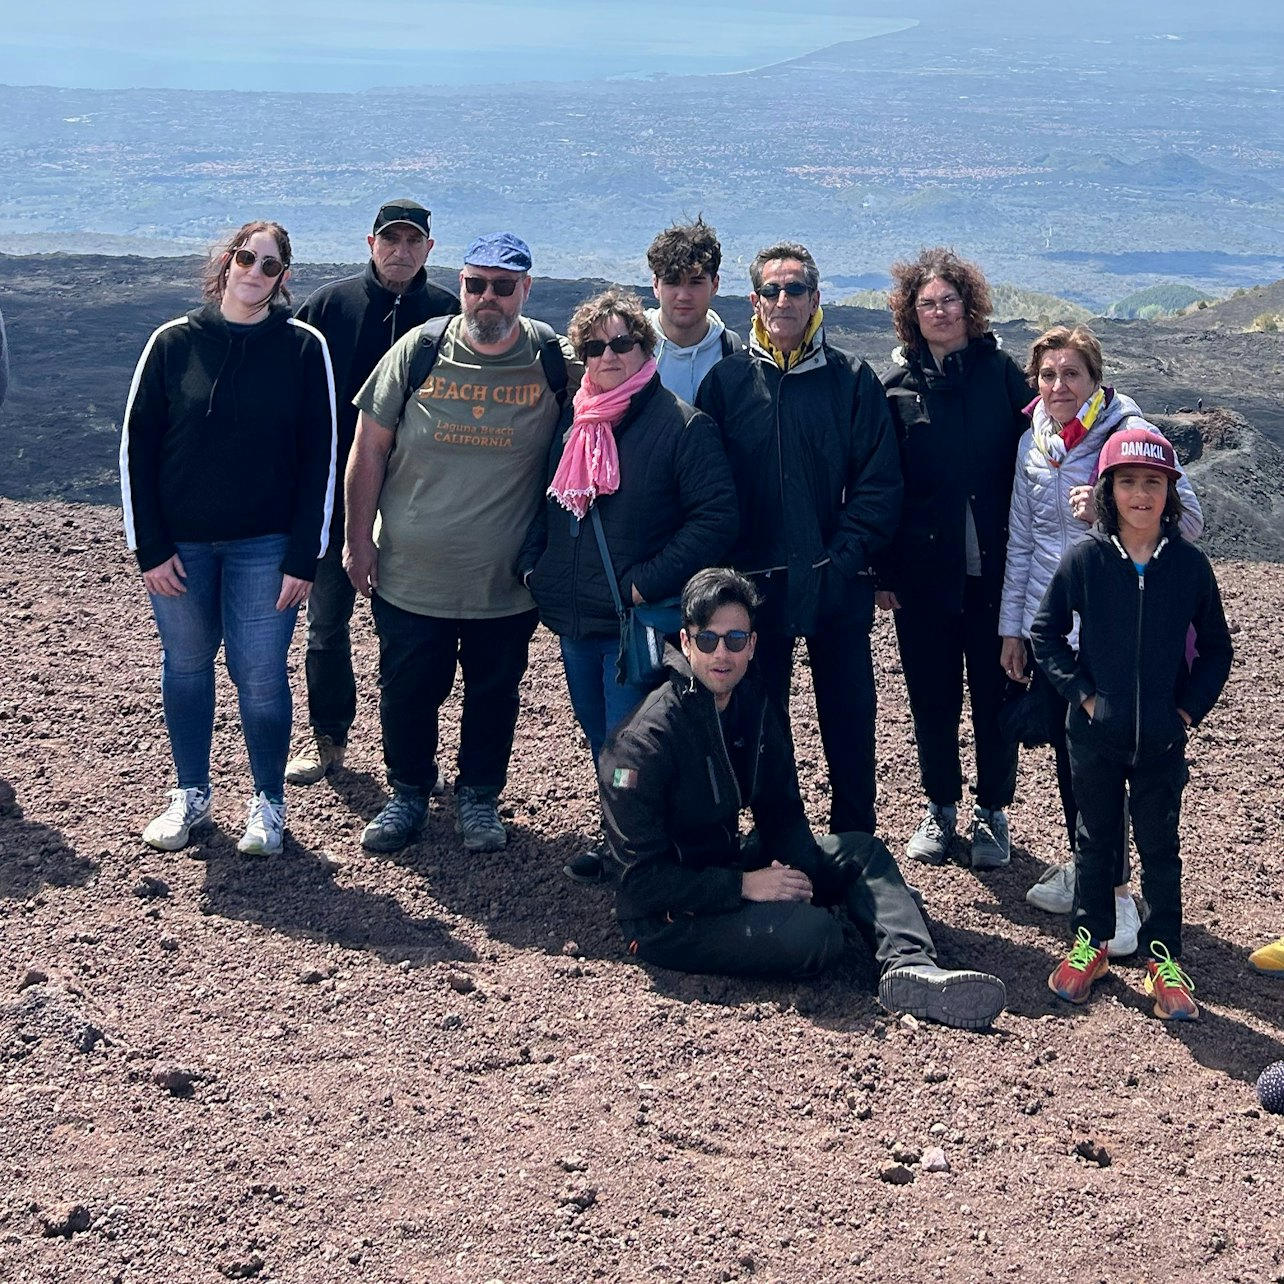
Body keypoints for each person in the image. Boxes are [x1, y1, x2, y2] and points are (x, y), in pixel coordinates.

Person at [598, 567, 1008, 1030]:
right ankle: (856, 920)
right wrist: (746, 887)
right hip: (666, 918)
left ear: (752, 645)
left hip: (729, 861)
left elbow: (781, 808)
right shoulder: (641, 744)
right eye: (708, 640)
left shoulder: (751, 702)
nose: (721, 654)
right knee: (815, 936)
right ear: (685, 643)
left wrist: (803, 876)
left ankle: (911, 967)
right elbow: (638, 883)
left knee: (862, 852)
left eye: (735, 639)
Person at [347, 232, 581, 855]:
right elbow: (368, 448)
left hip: (504, 581)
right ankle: (408, 793)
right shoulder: (419, 350)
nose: (487, 298)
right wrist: (355, 542)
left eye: (503, 286)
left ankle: (479, 797)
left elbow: (618, 394)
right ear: (461, 284)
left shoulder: (555, 359)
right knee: (405, 688)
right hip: (408, 570)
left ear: (526, 290)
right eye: (476, 284)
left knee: (494, 693)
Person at [120, 220, 337, 856]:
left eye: (270, 266)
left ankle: (268, 803)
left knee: (262, 675)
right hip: (180, 549)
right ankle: (190, 794)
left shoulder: (303, 349)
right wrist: (149, 547)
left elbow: (320, 456)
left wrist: (305, 554)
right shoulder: (172, 343)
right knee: (185, 668)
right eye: (247, 258)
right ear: (227, 261)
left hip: (265, 549)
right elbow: (137, 448)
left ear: (284, 278)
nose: (254, 272)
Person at [518, 288, 737, 882]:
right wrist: (536, 568)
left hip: (634, 622)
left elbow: (716, 518)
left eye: (623, 342)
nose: (609, 355)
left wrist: (646, 584)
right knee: (601, 738)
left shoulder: (683, 426)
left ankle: (645, 856)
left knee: (630, 742)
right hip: (577, 617)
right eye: (595, 346)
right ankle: (626, 842)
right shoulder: (576, 421)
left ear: (646, 348)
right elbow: (550, 506)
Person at [999, 325, 1204, 954]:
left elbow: (1189, 521)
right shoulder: (1034, 442)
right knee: (1076, 763)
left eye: (1072, 375)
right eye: (1048, 375)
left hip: (1120, 633)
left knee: (1127, 768)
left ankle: (1120, 899)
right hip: (1058, 631)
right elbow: (1023, 541)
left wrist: (1106, 514)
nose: (1058, 387)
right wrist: (1015, 627)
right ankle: (1096, 874)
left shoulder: (1128, 434)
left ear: (1096, 379)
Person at [696, 241, 902, 836]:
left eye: (795, 290)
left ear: (815, 298)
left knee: (848, 715)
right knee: (764, 717)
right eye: (771, 291)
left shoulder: (851, 381)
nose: (783, 300)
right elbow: (711, 489)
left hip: (835, 584)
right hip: (755, 590)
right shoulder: (727, 383)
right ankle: (776, 834)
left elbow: (879, 483)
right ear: (755, 303)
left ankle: (854, 836)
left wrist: (843, 560)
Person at [1033, 429, 1231, 1019]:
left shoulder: (1190, 568)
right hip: (1094, 736)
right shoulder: (1086, 560)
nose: (1140, 494)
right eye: (1127, 482)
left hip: (1162, 743)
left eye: (1153, 483)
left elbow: (1217, 649)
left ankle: (1163, 959)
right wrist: (1084, 697)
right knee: (1095, 844)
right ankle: (1089, 944)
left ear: (1169, 492)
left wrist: (1187, 710)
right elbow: (1046, 634)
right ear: (1107, 490)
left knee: (1160, 850)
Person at [285, 199, 459, 787]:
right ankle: (330, 742)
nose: (402, 251)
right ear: (371, 242)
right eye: (392, 239)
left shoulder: (448, 315)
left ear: (429, 250)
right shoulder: (330, 306)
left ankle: (408, 759)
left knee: (406, 642)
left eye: (414, 242)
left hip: (417, 509)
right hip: (332, 501)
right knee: (326, 629)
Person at [877, 249, 1030, 870]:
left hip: (994, 575)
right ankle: (939, 808)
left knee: (994, 696)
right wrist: (882, 572)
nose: (939, 312)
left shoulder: (1004, 378)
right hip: (923, 580)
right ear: (911, 315)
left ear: (970, 306)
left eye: (949, 301)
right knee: (932, 698)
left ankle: (993, 814)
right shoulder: (894, 391)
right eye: (926, 304)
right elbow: (881, 486)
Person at [644, 216, 743, 402]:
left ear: (714, 285)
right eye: (673, 282)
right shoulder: (627, 348)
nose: (683, 295)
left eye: (695, 282)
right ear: (656, 285)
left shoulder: (732, 355)